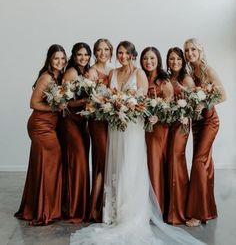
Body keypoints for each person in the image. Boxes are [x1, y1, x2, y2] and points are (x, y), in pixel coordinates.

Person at [70, 41, 205, 245]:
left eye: (127, 53)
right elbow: (103, 95)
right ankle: (112, 212)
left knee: (130, 166)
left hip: (133, 127)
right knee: (115, 164)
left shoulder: (139, 73)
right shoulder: (113, 73)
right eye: (120, 53)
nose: (123, 56)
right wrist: (108, 103)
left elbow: (142, 101)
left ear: (133, 56)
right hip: (115, 127)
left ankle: (131, 212)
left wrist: (127, 105)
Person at [15, 44, 67, 225]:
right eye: (56, 58)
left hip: (50, 126)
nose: (59, 62)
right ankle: (44, 210)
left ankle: (42, 206)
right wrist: (55, 107)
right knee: (48, 164)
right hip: (40, 125)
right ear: (49, 60)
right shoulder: (46, 77)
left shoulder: (60, 76)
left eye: (62, 58)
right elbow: (33, 103)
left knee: (46, 165)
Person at [184, 38, 226, 227]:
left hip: (209, 121)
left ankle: (198, 213)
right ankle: (209, 209)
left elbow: (223, 95)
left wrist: (204, 103)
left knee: (199, 163)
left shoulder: (208, 70)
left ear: (200, 51)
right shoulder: (189, 72)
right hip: (197, 123)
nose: (190, 53)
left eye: (193, 49)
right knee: (206, 164)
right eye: (187, 50)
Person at [60, 42, 91, 223]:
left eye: (86, 55)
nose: (83, 58)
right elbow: (64, 102)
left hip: (82, 121)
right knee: (77, 161)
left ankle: (80, 206)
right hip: (70, 120)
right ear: (73, 56)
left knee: (81, 161)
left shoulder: (85, 73)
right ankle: (73, 209)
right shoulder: (71, 72)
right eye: (79, 54)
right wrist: (85, 100)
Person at [140, 47, 173, 215]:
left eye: (152, 58)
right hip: (141, 129)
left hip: (158, 128)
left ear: (158, 60)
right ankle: (143, 206)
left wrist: (158, 117)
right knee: (142, 165)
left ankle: (157, 208)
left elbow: (170, 106)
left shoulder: (164, 81)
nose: (149, 62)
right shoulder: (141, 77)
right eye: (145, 58)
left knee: (154, 165)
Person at [165, 47, 195, 224]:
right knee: (170, 161)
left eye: (177, 59)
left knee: (177, 161)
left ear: (183, 61)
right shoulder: (169, 78)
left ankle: (179, 211)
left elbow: (193, 104)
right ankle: (170, 208)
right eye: (171, 59)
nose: (174, 62)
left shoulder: (187, 79)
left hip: (182, 124)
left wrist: (187, 115)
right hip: (168, 124)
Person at [87, 39, 113, 222]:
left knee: (111, 163)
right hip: (97, 121)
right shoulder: (92, 71)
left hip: (110, 121)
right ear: (95, 52)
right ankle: (94, 208)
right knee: (101, 162)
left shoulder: (113, 71)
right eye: (99, 50)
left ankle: (107, 207)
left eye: (106, 49)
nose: (103, 53)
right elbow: (89, 99)